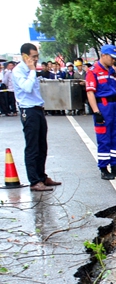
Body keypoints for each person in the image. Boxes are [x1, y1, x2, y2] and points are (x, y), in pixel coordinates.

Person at [11, 44, 60, 192]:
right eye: (33, 57)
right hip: (28, 110)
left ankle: (41, 176)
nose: (36, 59)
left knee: (42, 146)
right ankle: (34, 181)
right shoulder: (18, 71)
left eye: (37, 56)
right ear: (25, 56)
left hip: (38, 109)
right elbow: (26, 87)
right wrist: (32, 71)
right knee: (32, 147)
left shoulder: (30, 70)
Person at [86, 44, 116, 180]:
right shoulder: (93, 71)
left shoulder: (111, 71)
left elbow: (115, 92)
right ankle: (104, 168)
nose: (114, 60)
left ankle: (114, 165)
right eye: (112, 57)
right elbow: (90, 93)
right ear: (103, 55)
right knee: (104, 139)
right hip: (102, 106)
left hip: (113, 107)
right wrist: (96, 112)